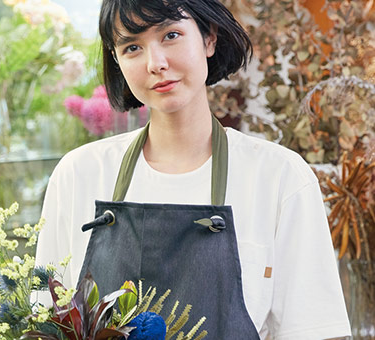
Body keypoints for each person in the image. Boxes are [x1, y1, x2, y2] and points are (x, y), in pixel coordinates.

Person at [34, 0, 351, 339]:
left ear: (209, 38)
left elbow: (314, 330)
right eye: (132, 47)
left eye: (171, 35)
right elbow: (45, 324)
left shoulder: (280, 178)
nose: (156, 63)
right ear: (117, 60)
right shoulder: (79, 175)